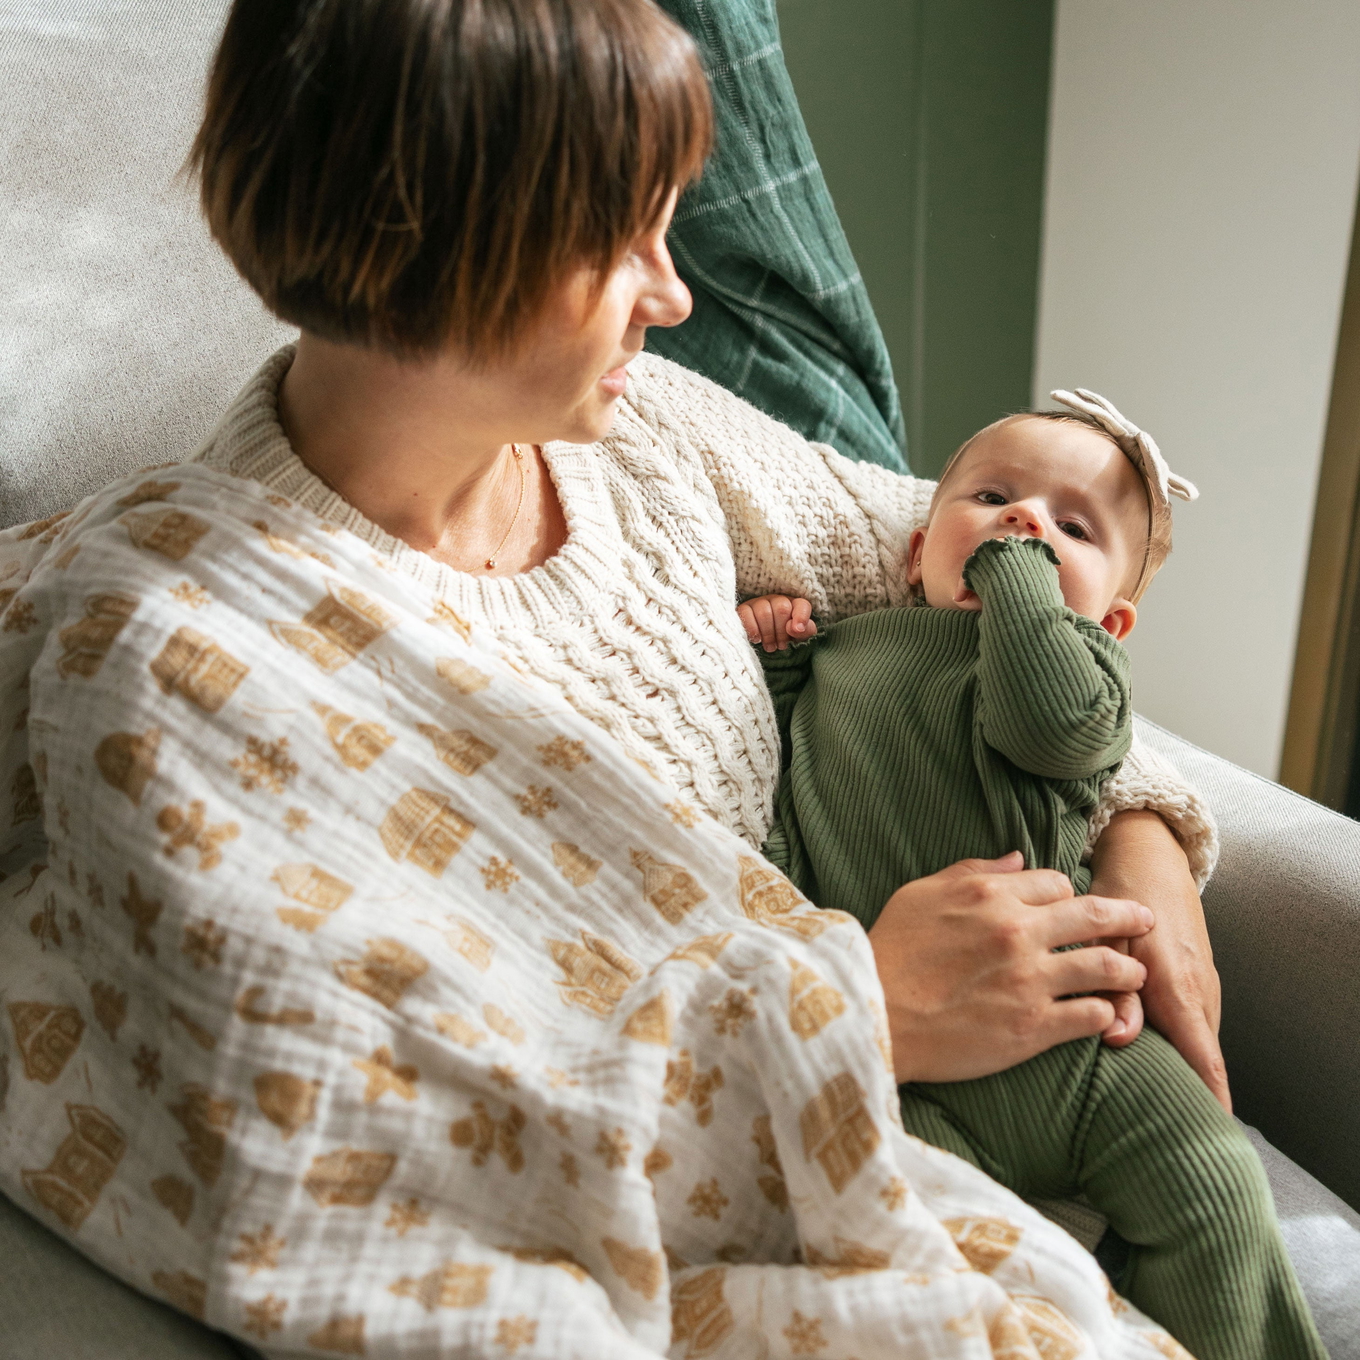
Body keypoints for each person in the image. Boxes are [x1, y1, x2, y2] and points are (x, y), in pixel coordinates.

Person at [0, 0, 1232, 1354]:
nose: (676, 291)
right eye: (622, 241)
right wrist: (860, 1012)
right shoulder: (201, 650)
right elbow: (361, 1120)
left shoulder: (646, 438)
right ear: (451, 238)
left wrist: (1142, 837)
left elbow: (1009, 566)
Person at [738, 393, 1325, 1359]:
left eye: (1072, 527)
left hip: (1083, 1041)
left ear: (1115, 620)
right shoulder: (853, 648)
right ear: (916, 551)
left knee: (1217, 1182)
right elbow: (792, 773)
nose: (1027, 524)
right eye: (997, 497)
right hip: (912, 1068)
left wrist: (1018, 576)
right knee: (924, 1254)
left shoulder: (1082, 678)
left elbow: (1047, 726)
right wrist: (784, 657)